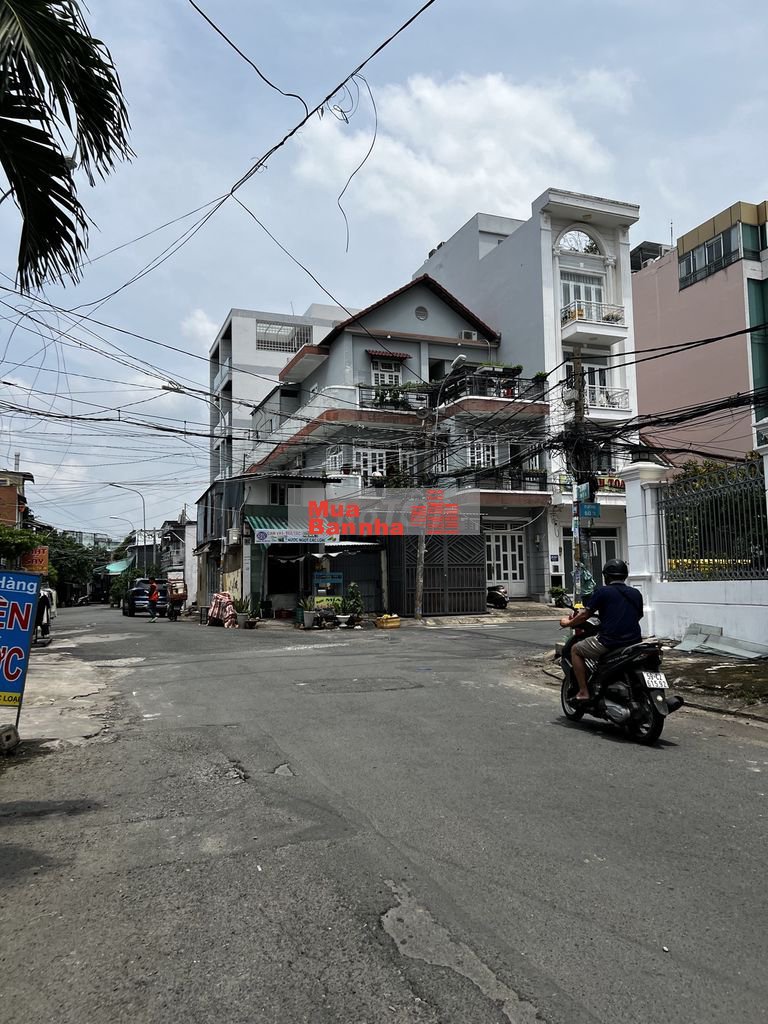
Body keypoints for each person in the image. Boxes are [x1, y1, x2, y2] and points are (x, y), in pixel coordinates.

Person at [559, 559, 643, 702]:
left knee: (575, 650)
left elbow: (584, 615)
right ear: (625, 576)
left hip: (609, 641)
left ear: (606, 576)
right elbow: (639, 615)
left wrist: (568, 623)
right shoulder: (636, 593)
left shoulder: (602, 592)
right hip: (634, 641)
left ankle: (583, 691)